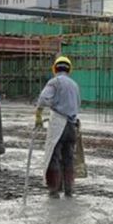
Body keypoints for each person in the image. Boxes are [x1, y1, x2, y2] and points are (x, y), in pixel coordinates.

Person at [36, 56, 81, 198]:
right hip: (71, 125)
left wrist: (39, 113)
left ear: (55, 68)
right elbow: (78, 104)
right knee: (68, 158)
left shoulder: (54, 82)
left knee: (53, 156)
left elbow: (43, 99)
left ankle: (54, 189)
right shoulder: (74, 84)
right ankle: (69, 189)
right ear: (69, 69)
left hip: (58, 124)